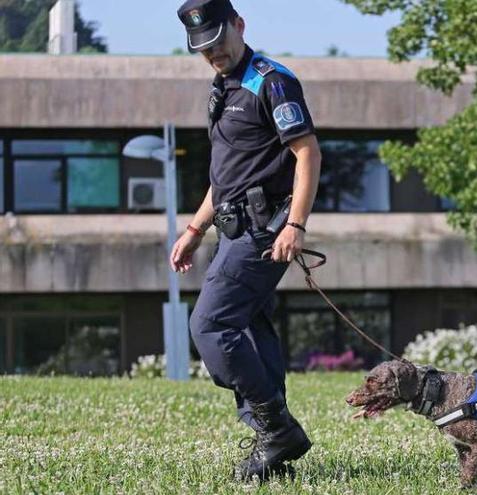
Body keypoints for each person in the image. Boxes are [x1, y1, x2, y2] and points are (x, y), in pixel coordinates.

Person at [170, 0, 321, 481]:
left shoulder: (270, 81)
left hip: (262, 231)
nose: (212, 53)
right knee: (252, 334)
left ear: (239, 25)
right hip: (230, 228)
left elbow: (307, 152)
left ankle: (277, 429)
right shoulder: (223, 88)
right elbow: (227, 175)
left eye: (218, 41)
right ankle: (273, 454)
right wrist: (195, 229)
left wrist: (295, 224)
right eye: (203, 47)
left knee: (211, 326)